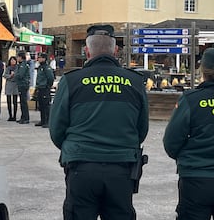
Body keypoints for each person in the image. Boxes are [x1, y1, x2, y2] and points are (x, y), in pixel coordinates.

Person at [49, 24, 149, 220]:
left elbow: (57, 129)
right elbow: (142, 129)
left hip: (81, 167)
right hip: (121, 168)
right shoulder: (135, 81)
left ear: (86, 51)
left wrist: (75, 147)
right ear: (116, 50)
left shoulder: (71, 81)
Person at [163, 48, 214, 220]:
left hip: (195, 179)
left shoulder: (191, 99)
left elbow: (171, 142)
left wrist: (186, 158)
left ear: (203, 71)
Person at [35, 52, 54, 128]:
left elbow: (50, 78)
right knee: (41, 105)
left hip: (45, 88)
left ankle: (47, 121)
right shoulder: (40, 67)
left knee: (46, 105)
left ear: (44, 58)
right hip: (40, 87)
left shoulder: (47, 68)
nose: (38, 59)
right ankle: (42, 120)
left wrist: (48, 86)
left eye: (40, 58)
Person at [15, 51, 30, 124]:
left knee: (23, 102)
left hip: (23, 84)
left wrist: (15, 75)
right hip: (21, 84)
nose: (17, 58)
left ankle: (25, 118)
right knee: (22, 102)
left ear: (21, 57)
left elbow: (20, 75)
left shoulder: (23, 65)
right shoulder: (20, 65)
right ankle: (23, 117)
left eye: (18, 57)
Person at [4, 56, 19, 121]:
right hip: (9, 84)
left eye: (14, 60)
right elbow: (5, 75)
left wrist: (14, 75)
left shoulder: (18, 67)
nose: (13, 61)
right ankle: (10, 115)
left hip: (15, 84)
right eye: (11, 60)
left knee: (15, 101)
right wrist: (10, 76)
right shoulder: (8, 68)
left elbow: (18, 75)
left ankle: (14, 116)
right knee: (9, 101)